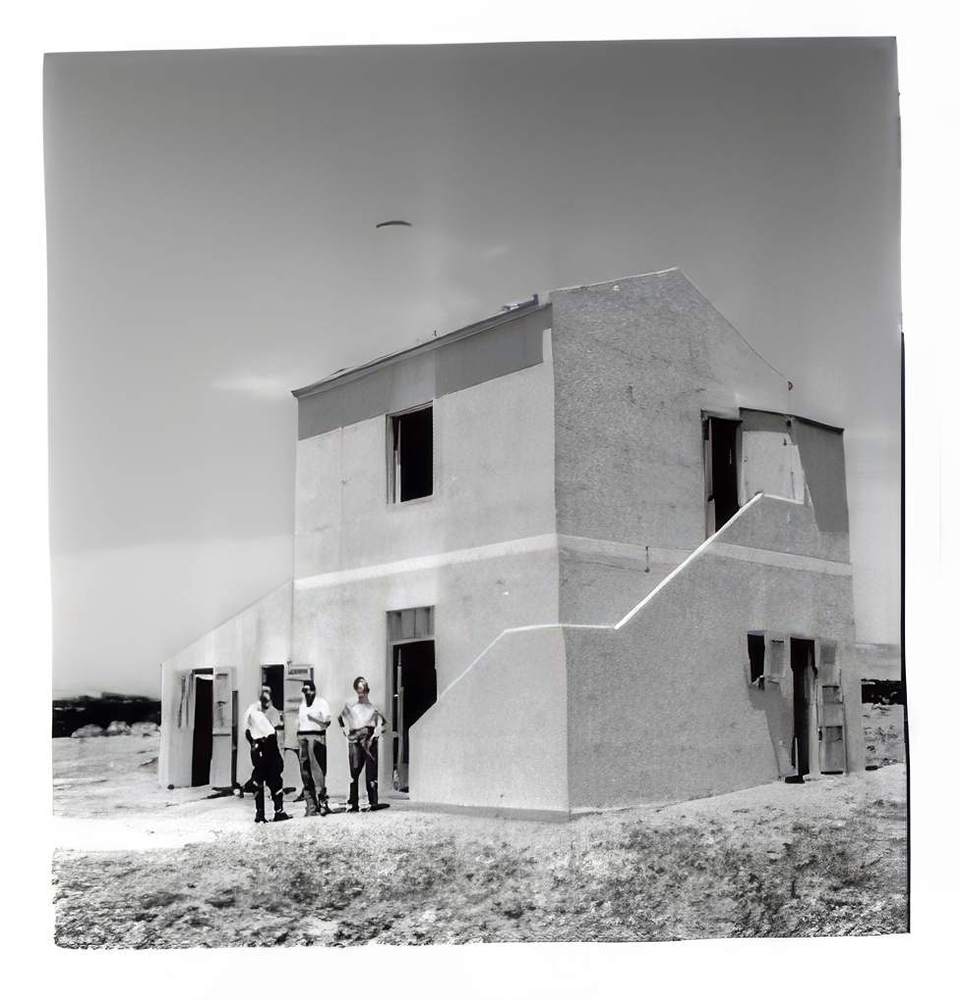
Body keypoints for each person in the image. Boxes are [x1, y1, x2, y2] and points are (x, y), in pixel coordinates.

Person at [338, 676, 390, 813]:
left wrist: (377, 732)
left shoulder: (374, 707)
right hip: (355, 736)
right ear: (356, 690)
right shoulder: (352, 707)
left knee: (371, 771)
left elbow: (384, 723)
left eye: (364, 688)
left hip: (369, 736)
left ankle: (372, 802)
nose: (362, 691)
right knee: (354, 771)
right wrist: (346, 732)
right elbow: (340, 718)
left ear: (367, 690)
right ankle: (353, 803)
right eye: (359, 688)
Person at [243, 685, 292, 823]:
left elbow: (247, 732)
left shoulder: (253, 711)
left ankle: (261, 814)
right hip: (266, 747)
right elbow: (270, 733)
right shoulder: (257, 713)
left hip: (258, 747)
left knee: (261, 779)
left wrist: (253, 745)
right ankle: (276, 812)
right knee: (274, 779)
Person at [297, 679, 331, 817]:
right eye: (304, 690)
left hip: (316, 736)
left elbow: (327, 722)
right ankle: (311, 805)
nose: (306, 693)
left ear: (314, 690)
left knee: (318, 771)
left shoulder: (321, 703)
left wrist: (314, 719)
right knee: (305, 771)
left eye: (308, 690)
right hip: (302, 737)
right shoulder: (302, 705)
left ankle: (322, 803)